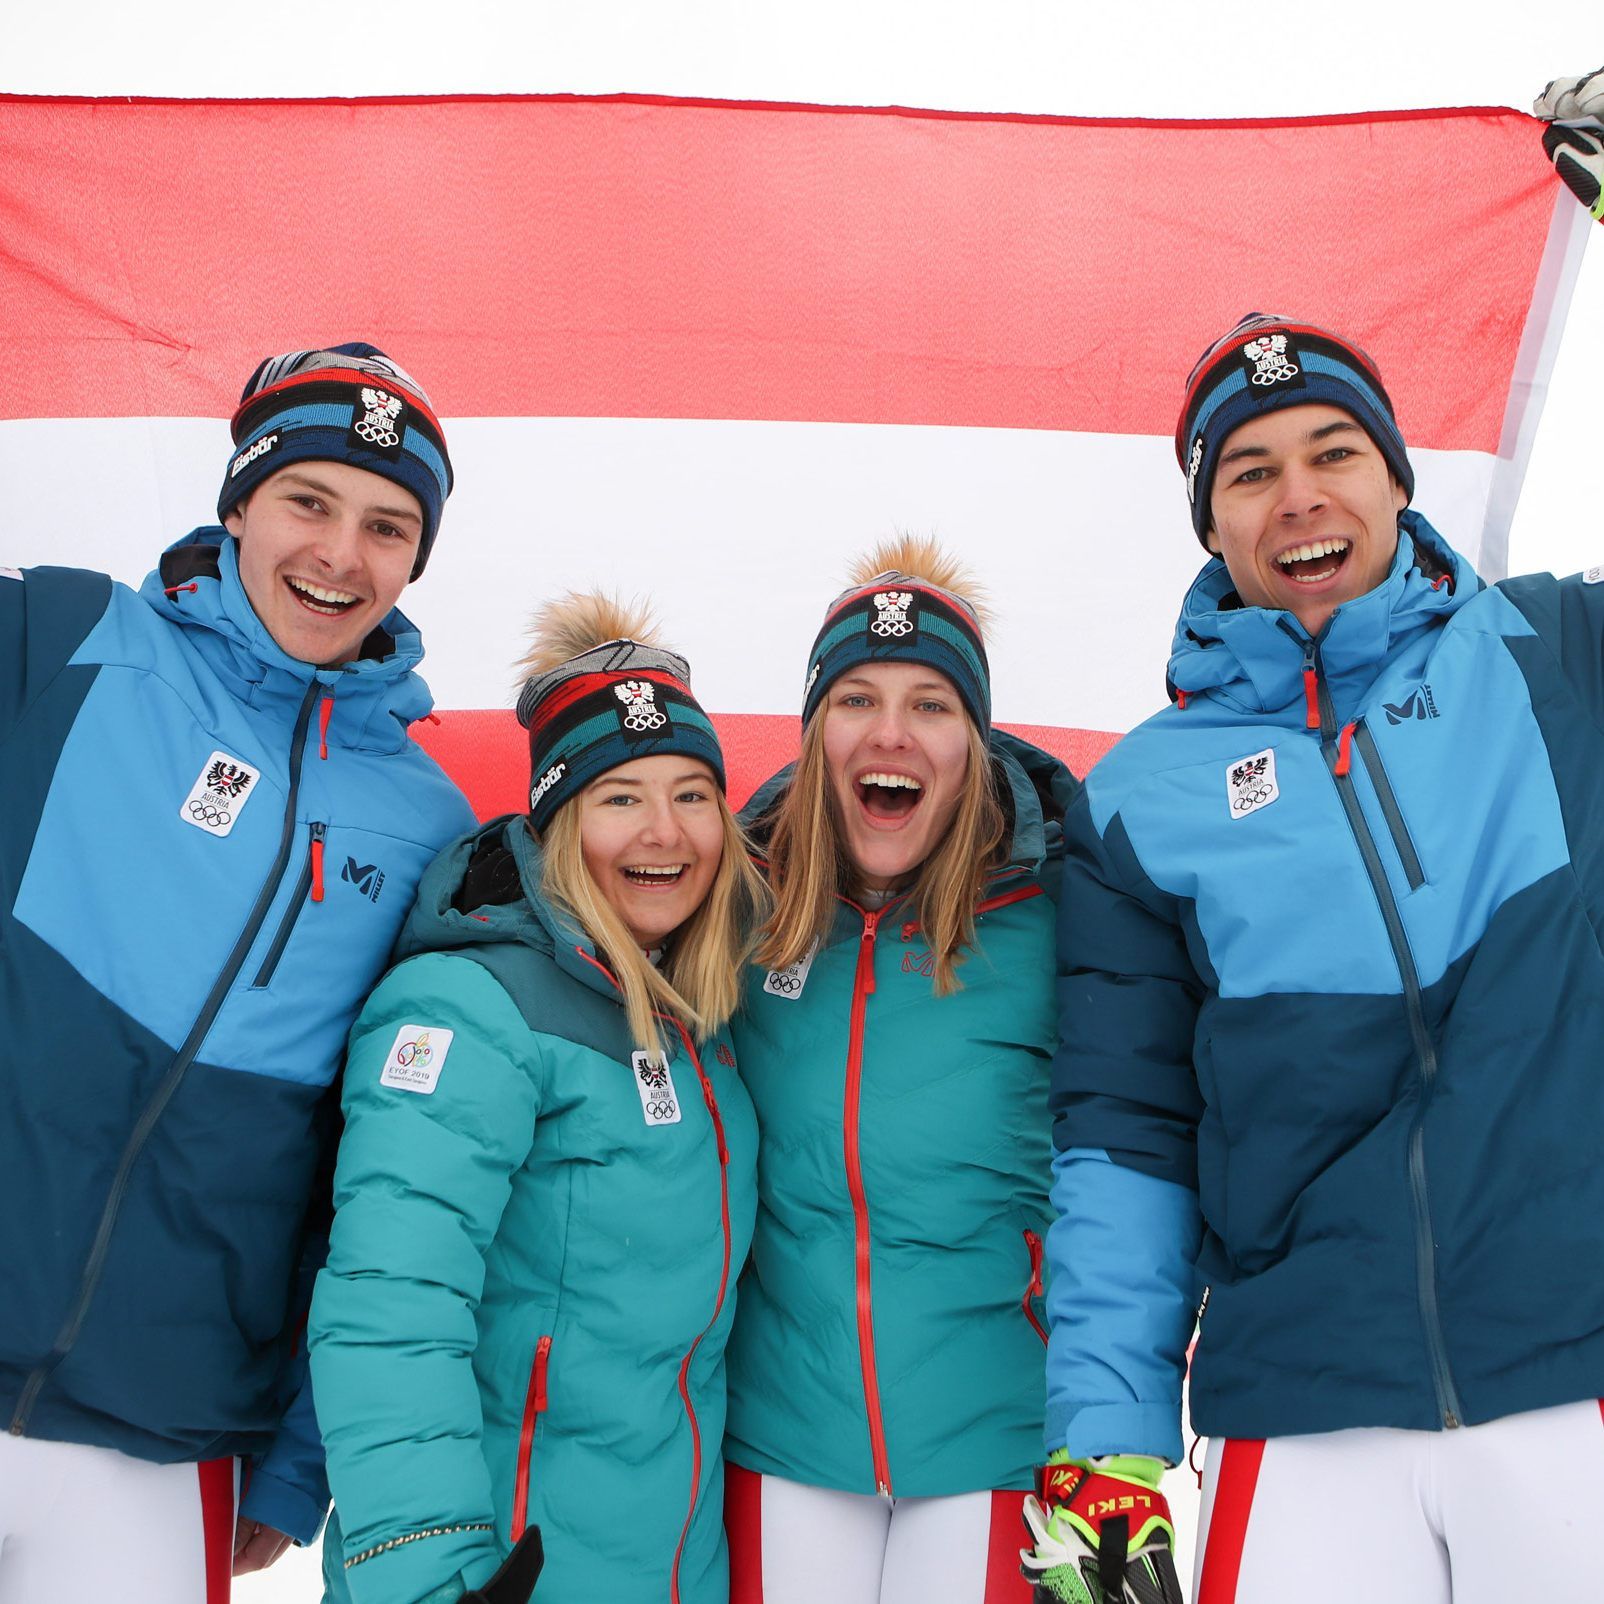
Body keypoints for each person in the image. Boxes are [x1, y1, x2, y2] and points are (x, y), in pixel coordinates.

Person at [1028, 274, 1604, 1601]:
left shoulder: (1553, 652)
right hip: (1301, 1411)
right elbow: (1124, 1135)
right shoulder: (1139, 800)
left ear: (1398, 482)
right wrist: (1105, 1449)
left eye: (1334, 452)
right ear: (1211, 523)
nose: (1299, 496)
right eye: (1250, 471)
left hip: (1575, 1366)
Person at [0, 343, 475, 1599]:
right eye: (309, 502)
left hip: (164, 1430)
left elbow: (381, 1164)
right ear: (239, 507)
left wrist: (297, 1458)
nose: (339, 553)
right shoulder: (58, 635)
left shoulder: (431, 825)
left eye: (387, 526)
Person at [308, 594, 766, 1604]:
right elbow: (392, 1306)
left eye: (692, 793)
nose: (664, 830)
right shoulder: (471, 1005)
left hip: (664, 1569)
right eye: (619, 797)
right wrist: (425, 1570)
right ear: (556, 821)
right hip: (495, 1574)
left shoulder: (699, 1018)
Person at [723, 538, 1077, 1604]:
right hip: (779, 1435)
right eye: (855, 698)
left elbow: (1148, 1150)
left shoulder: (1068, 914)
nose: (889, 732)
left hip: (1001, 1440)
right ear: (811, 730)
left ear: (973, 741)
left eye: (929, 703)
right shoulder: (729, 912)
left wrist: (1114, 1438)